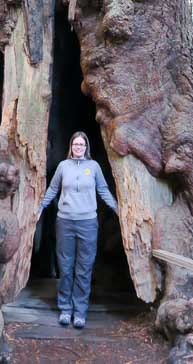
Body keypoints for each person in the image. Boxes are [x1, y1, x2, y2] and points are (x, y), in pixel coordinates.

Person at [37, 131, 118, 329]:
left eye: (82, 144)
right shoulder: (64, 167)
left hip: (88, 223)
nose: (79, 147)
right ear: (71, 147)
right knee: (65, 268)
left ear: (86, 147)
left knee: (84, 268)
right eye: (76, 145)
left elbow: (103, 190)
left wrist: (117, 209)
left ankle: (80, 312)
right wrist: (40, 208)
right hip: (65, 222)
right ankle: (65, 309)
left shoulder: (94, 167)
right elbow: (53, 190)